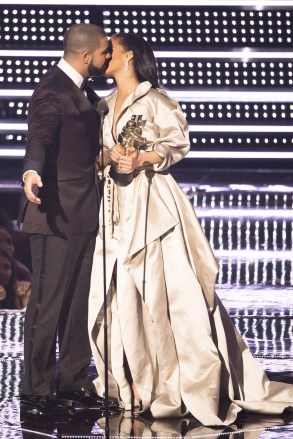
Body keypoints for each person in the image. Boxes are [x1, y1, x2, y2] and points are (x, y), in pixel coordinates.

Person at [88, 32, 293, 426]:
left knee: (169, 296)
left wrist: (144, 157)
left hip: (152, 208)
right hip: (112, 207)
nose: (103, 53)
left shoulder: (156, 100)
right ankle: (132, 382)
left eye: (110, 48)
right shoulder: (102, 106)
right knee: (116, 296)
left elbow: (177, 143)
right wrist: (107, 156)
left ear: (128, 56)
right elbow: (91, 155)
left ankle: (178, 383)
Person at [17, 23, 116, 416]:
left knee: (76, 304)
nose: (109, 57)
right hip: (53, 215)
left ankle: (73, 381)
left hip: (83, 214)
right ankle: (35, 390)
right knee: (46, 305)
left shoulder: (83, 91)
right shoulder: (51, 90)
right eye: (106, 52)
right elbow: (38, 136)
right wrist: (31, 170)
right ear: (87, 56)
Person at [0, 245, 31, 310]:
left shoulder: (14, 292)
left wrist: (26, 297)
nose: (1, 272)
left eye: (6, 267)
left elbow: (29, 319)